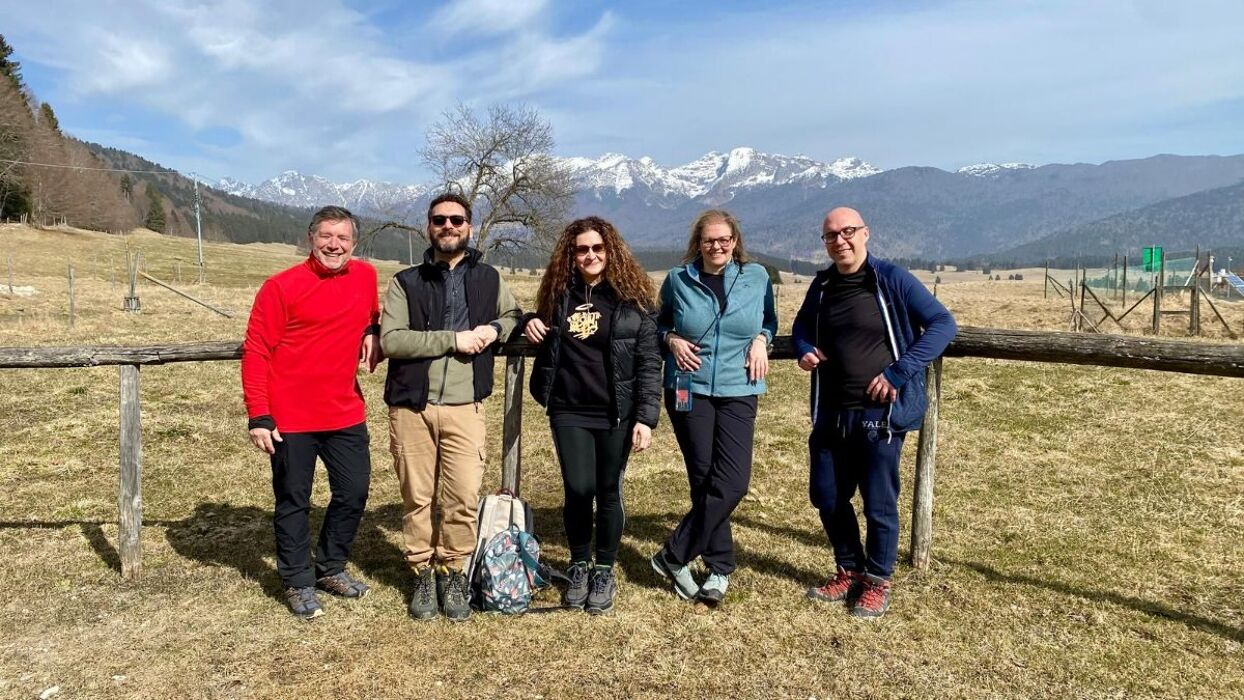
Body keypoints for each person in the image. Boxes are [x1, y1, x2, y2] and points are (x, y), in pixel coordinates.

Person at [793, 206, 956, 619]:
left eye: (848, 232)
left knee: (879, 502)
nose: (840, 241)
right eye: (831, 235)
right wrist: (803, 349)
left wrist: (899, 373)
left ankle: (877, 582)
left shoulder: (890, 279)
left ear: (865, 234)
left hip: (878, 414)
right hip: (831, 411)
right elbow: (800, 326)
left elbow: (942, 324)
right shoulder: (824, 285)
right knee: (827, 496)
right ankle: (849, 569)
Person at [380, 192, 521, 622]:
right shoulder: (405, 281)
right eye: (439, 219)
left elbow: (514, 314)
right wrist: (452, 339)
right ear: (429, 226)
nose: (448, 226)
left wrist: (495, 329)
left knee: (461, 496)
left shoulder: (490, 278)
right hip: (412, 407)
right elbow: (392, 340)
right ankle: (423, 571)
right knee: (417, 497)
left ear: (469, 226)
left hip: (466, 406)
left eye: (456, 220)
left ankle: (454, 571)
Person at [241, 205, 382, 620]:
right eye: (326, 236)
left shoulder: (366, 276)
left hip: (345, 411)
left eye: (343, 238)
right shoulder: (280, 286)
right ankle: (298, 580)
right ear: (311, 239)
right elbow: (256, 351)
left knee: (353, 492)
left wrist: (373, 331)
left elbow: (372, 316)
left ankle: (331, 567)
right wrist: (259, 414)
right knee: (293, 500)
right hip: (291, 418)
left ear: (353, 244)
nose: (334, 245)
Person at [522, 217, 661, 615]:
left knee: (608, 490)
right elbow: (533, 323)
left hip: (616, 412)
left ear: (610, 251)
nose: (590, 255)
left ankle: (604, 567)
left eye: (597, 248)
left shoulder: (633, 301)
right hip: (568, 409)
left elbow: (650, 364)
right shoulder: (558, 296)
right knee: (578, 488)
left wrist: (645, 418)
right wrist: (527, 320)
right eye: (582, 249)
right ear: (572, 254)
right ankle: (579, 562)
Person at [649, 209, 777, 605]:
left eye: (724, 240)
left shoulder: (756, 277)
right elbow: (659, 323)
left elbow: (770, 321)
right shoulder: (678, 279)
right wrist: (671, 340)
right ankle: (720, 567)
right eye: (709, 240)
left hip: (740, 386)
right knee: (704, 479)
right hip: (689, 388)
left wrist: (761, 338)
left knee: (733, 482)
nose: (717, 246)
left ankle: (673, 554)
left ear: (735, 241)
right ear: (698, 244)